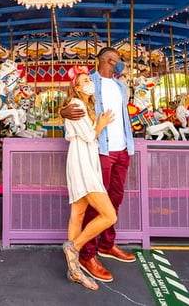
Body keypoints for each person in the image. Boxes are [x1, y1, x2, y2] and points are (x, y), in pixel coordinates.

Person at [59, 47, 136, 283]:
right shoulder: (90, 80)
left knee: (115, 199)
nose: (121, 64)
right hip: (100, 150)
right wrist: (63, 111)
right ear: (108, 60)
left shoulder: (122, 86)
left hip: (122, 149)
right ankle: (87, 254)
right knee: (96, 206)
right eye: (118, 61)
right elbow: (73, 98)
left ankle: (107, 244)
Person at [61, 66, 117, 291]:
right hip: (83, 162)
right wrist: (101, 125)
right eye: (84, 80)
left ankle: (73, 269)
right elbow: (87, 135)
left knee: (78, 214)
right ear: (77, 86)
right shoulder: (76, 105)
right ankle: (74, 247)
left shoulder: (84, 105)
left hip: (82, 159)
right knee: (109, 215)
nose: (89, 83)